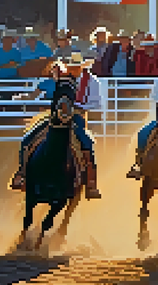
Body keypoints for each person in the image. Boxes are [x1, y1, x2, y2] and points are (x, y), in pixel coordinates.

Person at [11, 71, 101, 199]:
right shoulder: (51, 82)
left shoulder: (90, 81)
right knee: (27, 139)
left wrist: (77, 107)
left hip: (75, 115)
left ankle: (91, 182)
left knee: (86, 142)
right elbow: (33, 95)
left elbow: (95, 103)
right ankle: (23, 173)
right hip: (52, 116)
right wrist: (21, 97)